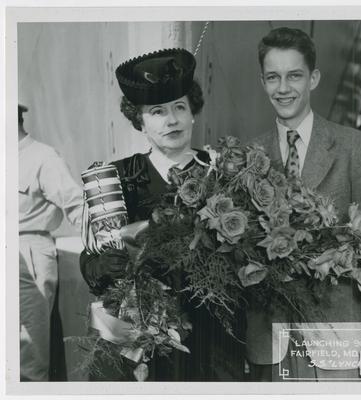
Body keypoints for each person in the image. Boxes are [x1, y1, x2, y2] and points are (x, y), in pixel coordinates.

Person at [79, 48, 245, 381]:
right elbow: (91, 255)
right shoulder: (116, 178)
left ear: (193, 113)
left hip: (213, 337)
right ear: (139, 121)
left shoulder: (224, 172)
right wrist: (103, 267)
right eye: (157, 112)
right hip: (144, 341)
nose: (172, 120)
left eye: (179, 107)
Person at [247, 27, 361, 382]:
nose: (283, 88)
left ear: (313, 78)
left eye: (294, 75)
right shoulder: (250, 155)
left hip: (338, 339)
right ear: (263, 81)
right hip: (269, 342)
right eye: (273, 77)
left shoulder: (354, 148)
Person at [18, 104, 84, 381]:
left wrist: (109, 243)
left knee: (28, 354)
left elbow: (76, 205)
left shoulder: (42, 157)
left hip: (28, 252)